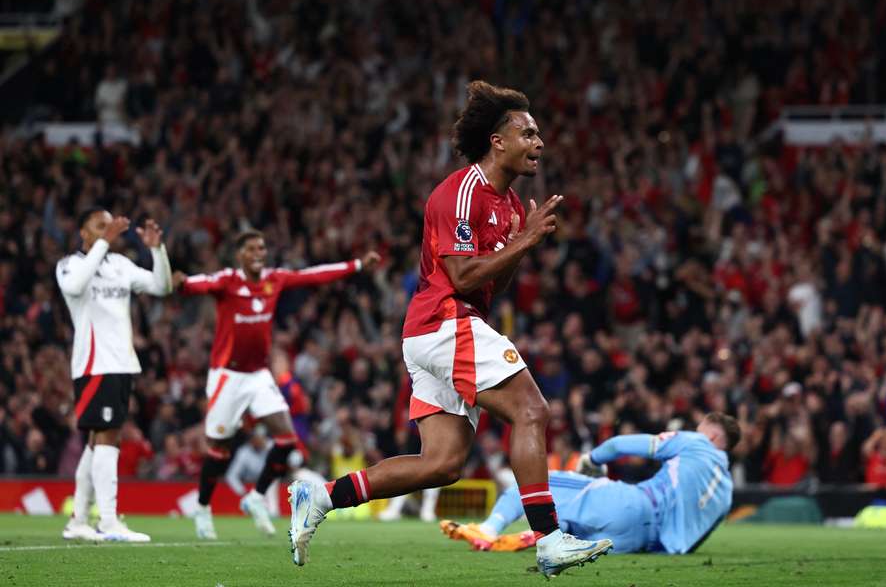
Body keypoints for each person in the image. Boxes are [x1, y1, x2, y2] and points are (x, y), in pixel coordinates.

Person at [288, 81, 612, 578]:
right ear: (498, 140)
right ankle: (549, 539)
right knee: (532, 409)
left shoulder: (506, 206)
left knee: (443, 463)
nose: (539, 143)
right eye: (527, 133)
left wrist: (520, 243)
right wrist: (522, 241)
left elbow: (493, 283)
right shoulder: (462, 190)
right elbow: (461, 277)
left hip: (443, 328)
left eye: (539, 134)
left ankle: (324, 495)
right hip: (444, 319)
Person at [172, 229, 380, 539]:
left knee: (286, 440)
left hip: (258, 375)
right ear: (240, 254)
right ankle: (203, 508)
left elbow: (312, 276)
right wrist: (183, 282)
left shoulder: (275, 278)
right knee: (220, 449)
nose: (259, 253)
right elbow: (195, 284)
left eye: (262, 247)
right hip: (227, 376)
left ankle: (256, 498)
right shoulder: (227, 280)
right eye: (252, 248)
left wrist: (357, 266)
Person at [442, 413, 740, 555]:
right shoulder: (726, 495)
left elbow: (622, 444)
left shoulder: (698, 443)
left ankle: (488, 529)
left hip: (634, 504)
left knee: (533, 484)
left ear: (712, 437)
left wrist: (593, 460)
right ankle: (539, 536)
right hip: (637, 544)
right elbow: (692, 543)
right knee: (575, 525)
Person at [57, 207, 173, 542]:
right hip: (95, 364)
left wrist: (156, 250)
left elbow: (161, 286)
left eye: (110, 227)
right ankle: (107, 521)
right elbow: (76, 287)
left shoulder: (120, 266)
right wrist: (104, 244)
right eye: (99, 226)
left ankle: (78, 521)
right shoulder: (71, 265)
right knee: (107, 438)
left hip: (122, 363)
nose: (108, 231)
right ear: (83, 232)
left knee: (100, 442)